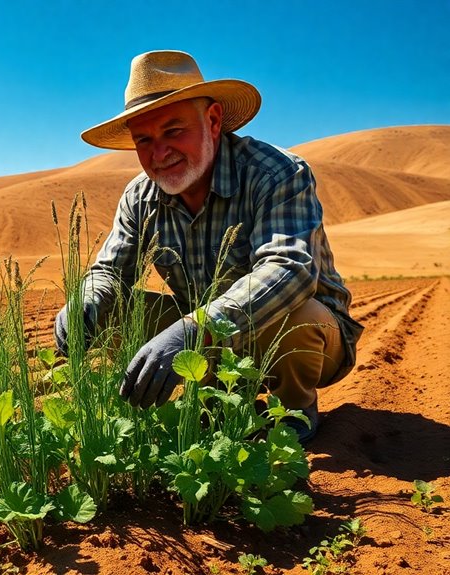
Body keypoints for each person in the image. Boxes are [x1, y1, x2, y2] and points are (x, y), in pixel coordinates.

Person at [54, 50, 364, 444]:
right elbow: (109, 273)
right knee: (110, 308)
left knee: (295, 310)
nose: (158, 153)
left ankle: (293, 413)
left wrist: (192, 331)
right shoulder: (139, 197)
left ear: (213, 121)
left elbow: (290, 269)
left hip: (309, 340)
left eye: (173, 131)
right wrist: (85, 300)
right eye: (144, 140)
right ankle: (206, 398)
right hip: (209, 334)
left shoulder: (276, 173)